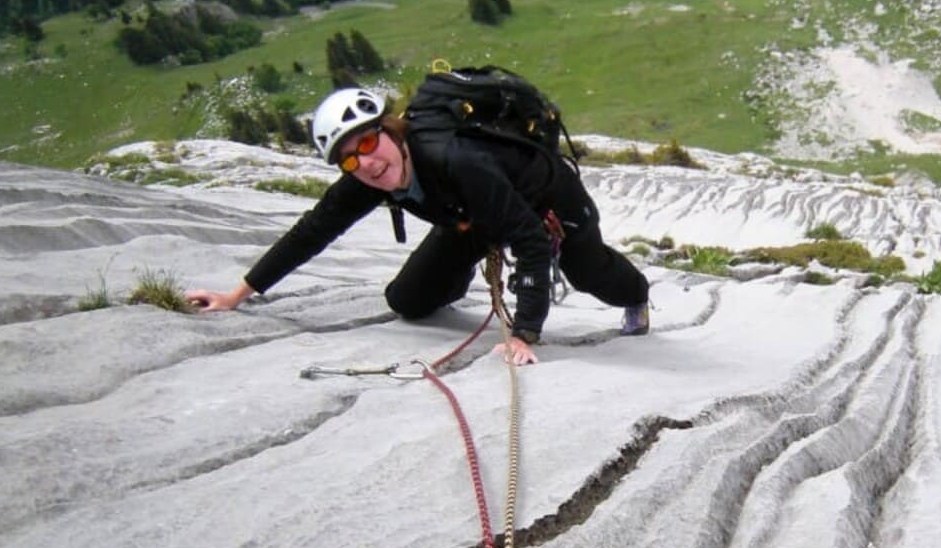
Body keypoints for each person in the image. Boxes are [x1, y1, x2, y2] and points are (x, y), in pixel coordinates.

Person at [185, 85, 651, 366]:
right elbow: (313, 231)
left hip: (545, 203)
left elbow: (529, 238)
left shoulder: (455, 159)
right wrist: (237, 295)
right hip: (470, 218)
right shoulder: (369, 178)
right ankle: (465, 265)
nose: (365, 162)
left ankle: (637, 294)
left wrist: (525, 333)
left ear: (390, 130)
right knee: (407, 299)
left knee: (589, 271)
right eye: (349, 158)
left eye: (368, 142)